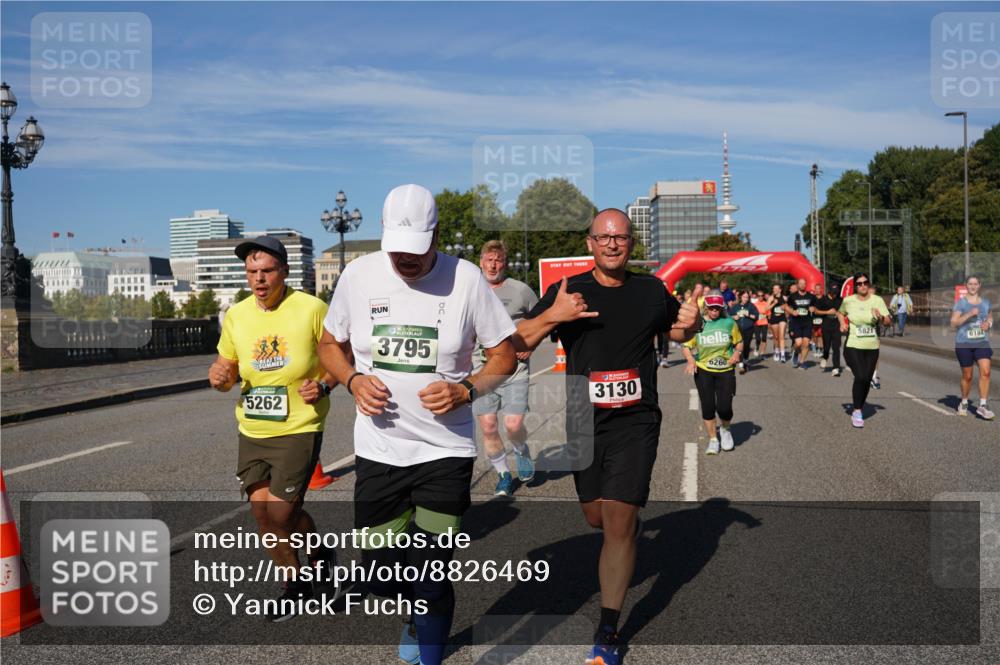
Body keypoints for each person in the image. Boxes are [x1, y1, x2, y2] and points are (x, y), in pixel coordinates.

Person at [317, 184, 517, 665]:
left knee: (430, 573)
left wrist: (465, 389)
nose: (404, 261)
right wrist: (351, 379)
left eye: (416, 250)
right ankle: (412, 609)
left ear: (438, 235)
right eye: (396, 250)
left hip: (444, 454)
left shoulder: (465, 279)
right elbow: (329, 344)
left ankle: (429, 647)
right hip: (380, 450)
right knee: (381, 566)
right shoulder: (359, 274)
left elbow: (504, 356)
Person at [512, 208, 701, 665]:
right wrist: (552, 316)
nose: (613, 244)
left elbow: (674, 327)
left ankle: (607, 632)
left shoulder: (651, 289)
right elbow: (517, 343)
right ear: (590, 242)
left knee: (618, 521)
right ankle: (619, 527)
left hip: (636, 419)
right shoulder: (568, 290)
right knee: (596, 517)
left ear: (631, 243)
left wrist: (691, 324)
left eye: (621, 237)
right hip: (583, 418)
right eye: (604, 237)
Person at [207, 235, 337, 622]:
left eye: (266, 271)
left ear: (284, 271)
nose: (259, 280)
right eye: (251, 272)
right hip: (252, 428)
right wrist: (220, 376)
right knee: (262, 515)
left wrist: (326, 383)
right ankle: (295, 584)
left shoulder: (312, 308)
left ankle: (317, 554)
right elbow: (228, 366)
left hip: (300, 425)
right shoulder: (237, 314)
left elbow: (342, 358)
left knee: (280, 514)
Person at [475, 239, 540, 496]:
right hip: (482, 370)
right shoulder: (471, 289)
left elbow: (541, 320)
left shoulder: (521, 291)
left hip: (515, 369)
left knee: (513, 426)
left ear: (505, 263)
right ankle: (503, 475)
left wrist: (532, 346)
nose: (493, 265)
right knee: (489, 426)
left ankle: (521, 449)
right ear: (481, 262)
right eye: (489, 260)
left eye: (498, 260)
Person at [686, 292, 743, 452]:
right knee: (708, 406)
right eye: (711, 309)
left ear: (722, 309)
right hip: (704, 370)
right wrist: (691, 361)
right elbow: (686, 346)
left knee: (725, 407)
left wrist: (737, 353)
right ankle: (713, 439)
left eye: (717, 309)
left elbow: (739, 343)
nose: (714, 312)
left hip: (725, 370)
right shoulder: (698, 324)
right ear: (706, 308)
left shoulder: (729, 323)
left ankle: (725, 430)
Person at [837, 272, 891, 428]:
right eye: (859, 283)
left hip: (872, 346)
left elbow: (888, 322)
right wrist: (842, 323)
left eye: (865, 282)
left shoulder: (877, 300)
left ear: (868, 284)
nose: (862, 286)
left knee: (867, 378)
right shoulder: (848, 301)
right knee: (860, 376)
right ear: (855, 286)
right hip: (853, 344)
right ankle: (857, 410)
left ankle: (858, 407)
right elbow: (840, 313)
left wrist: (881, 317)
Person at [951, 275, 994, 419]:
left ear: (979, 285)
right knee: (967, 376)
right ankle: (963, 401)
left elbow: (990, 318)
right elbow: (954, 322)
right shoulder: (961, 304)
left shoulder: (986, 302)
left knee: (986, 372)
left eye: (976, 283)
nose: (973, 286)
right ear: (966, 286)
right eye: (970, 284)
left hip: (982, 342)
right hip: (964, 344)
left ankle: (982, 405)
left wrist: (988, 324)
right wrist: (969, 313)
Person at [784, 277, 817, 369]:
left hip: (807, 322)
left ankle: (802, 362)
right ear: (798, 285)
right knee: (798, 343)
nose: (802, 285)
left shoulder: (811, 296)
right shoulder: (793, 296)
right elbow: (785, 306)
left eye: (804, 283)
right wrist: (791, 311)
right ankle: (795, 352)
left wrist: (813, 309)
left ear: (806, 285)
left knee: (806, 343)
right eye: (801, 283)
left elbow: (815, 308)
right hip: (796, 322)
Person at [815, 284, 843, 377]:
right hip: (826, 326)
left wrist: (843, 323)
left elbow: (842, 311)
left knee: (836, 348)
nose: (835, 294)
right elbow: (816, 311)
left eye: (836, 292)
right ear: (829, 291)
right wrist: (827, 312)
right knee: (826, 347)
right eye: (833, 292)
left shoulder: (840, 299)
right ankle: (825, 357)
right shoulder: (822, 300)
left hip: (836, 326)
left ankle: (836, 368)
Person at [728, 291, 757, 374]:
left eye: (747, 297)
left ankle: (745, 361)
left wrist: (748, 315)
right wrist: (734, 317)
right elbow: (729, 316)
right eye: (744, 297)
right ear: (741, 297)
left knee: (746, 346)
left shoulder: (751, 306)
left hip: (749, 329)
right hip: (738, 329)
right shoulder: (736, 307)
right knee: (740, 346)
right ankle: (741, 365)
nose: (745, 299)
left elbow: (756, 316)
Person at [767, 284, 788, 362]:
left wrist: (786, 310)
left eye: (776, 288)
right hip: (774, 318)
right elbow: (766, 308)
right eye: (773, 288)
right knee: (776, 337)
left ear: (780, 290)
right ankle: (776, 351)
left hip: (782, 318)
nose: (774, 290)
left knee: (781, 336)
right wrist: (774, 303)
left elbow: (788, 307)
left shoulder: (785, 298)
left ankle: (782, 354)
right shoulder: (771, 298)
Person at [752, 289, 771, 359]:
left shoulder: (766, 304)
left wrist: (769, 323)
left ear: (763, 296)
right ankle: (757, 347)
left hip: (764, 322)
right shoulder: (754, 305)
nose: (760, 297)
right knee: (758, 338)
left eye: (762, 296)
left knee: (764, 338)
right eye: (759, 296)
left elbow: (769, 314)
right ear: (757, 296)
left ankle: (762, 353)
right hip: (757, 323)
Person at [810, 283, 825, 357]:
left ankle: (820, 349)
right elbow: (809, 307)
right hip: (813, 319)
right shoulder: (812, 298)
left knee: (820, 335)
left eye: (818, 289)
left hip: (822, 319)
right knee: (815, 335)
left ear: (821, 290)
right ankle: (815, 346)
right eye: (816, 289)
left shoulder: (824, 298)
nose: (817, 290)